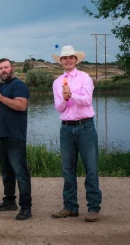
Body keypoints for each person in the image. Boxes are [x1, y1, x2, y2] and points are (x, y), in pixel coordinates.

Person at [51, 45, 102, 222]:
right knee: (67, 169)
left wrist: (72, 95)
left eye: (71, 57)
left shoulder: (85, 78)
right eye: (64, 58)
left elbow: (87, 101)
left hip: (85, 127)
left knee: (91, 168)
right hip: (66, 128)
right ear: (61, 61)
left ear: (75, 60)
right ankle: (70, 207)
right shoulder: (57, 82)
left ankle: (93, 208)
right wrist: (64, 100)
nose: (68, 60)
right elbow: (58, 107)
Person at [0, 58, 32, 221]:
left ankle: (26, 207)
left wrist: (1, 98)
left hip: (15, 136)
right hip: (0, 135)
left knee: (20, 173)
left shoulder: (18, 85)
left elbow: (21, 105)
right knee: (6, 172)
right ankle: (9, 201)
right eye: (0, 68)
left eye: (6, 67)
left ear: (12, 68)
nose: (3, 70)